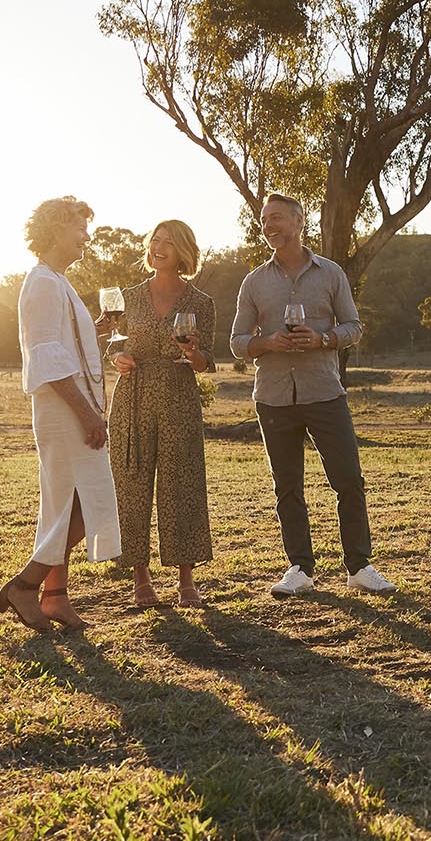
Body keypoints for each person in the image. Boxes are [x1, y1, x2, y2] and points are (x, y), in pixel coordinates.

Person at [231, 193, 395, 597]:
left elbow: (354, 326)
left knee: (348, 481)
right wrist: (267, 342)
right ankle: (300, 569)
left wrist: (323, 338)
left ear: (298, 221)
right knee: (287, 487)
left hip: (325, 394)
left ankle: (359, 567)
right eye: (265, 219)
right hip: (272, 398)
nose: (269, 225)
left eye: (277, 218)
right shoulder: (254, 282)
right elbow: (236, 343)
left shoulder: (331, 273)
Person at [0, 196, 123, 632]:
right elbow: (46, 356)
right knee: (84, 503)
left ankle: (55, 597)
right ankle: (26, 585)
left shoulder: (57, 281)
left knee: (66, 503)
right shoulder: (43, 282)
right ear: (55, 228)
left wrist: (96, 328)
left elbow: (61, 342)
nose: (87, 235)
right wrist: (88, 413)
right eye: (80, 227)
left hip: (70, 407)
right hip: (63, 410)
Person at [107, 219, 215, 609]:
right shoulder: (128, 297)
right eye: (155, 240)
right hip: (132, 396)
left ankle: (187, 581)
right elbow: (114, 344)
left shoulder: (202, 303)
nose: (158, 247)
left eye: (168, 242)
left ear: (184, 250)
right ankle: (140, 578)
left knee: (182, 488)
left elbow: (206, 362)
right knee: (132, 487)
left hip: (178, 398)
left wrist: (194, 354)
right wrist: (118, 356)